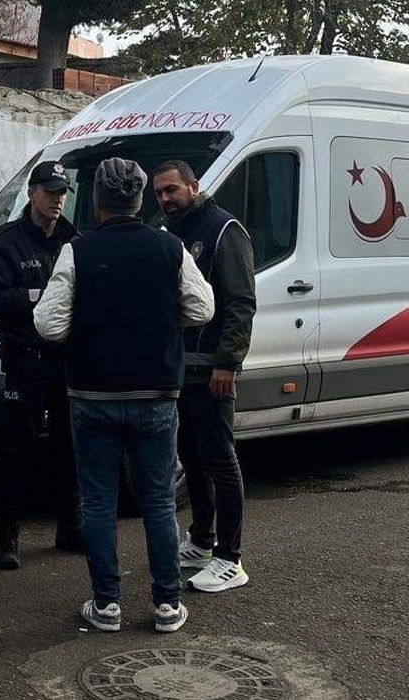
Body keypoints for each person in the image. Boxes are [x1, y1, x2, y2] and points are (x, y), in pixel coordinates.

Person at [34, 157, 214, 634]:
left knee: (97, 503)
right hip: (156, 393)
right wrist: (157, 318)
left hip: (91, 394)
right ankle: (168, 605)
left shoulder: (77, 251)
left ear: (96, 201)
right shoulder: (170, 247)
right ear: (139, 199)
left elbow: (48, 323)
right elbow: (203, 307)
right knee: (157, 502)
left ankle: (107, 604)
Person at [153, 160, 256, 594]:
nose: (164, 198)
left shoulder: (223, 229)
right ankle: (200, 540)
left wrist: (227, 364)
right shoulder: (170, 231)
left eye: (172, 189)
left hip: (212, 369)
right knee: (192, 459)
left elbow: (240, 303)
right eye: (158, 192)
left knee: (219, 459)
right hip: (181, 368)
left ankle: (231, 558)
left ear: (193, 186)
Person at [0, 161, 82, 570]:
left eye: (63, 192)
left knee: (68, 448)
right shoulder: (6, 241)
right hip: (26, 359)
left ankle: (69, 529)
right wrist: (42, 296)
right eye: (51, 191)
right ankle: (7, 539)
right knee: (17, 449)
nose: (58, 199)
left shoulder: (74, 239)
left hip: (67, 360)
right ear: (32, 193)